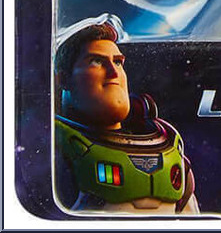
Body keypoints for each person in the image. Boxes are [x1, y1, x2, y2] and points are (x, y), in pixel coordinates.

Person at [54, 22, 198, 213]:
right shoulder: (57, 153)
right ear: (63, 79)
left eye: (118, 62)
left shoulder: (169, 148)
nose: (114, 72)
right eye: (96, 61)